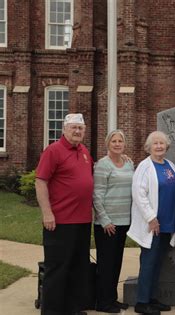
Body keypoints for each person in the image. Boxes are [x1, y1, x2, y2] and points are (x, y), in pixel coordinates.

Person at [35, 113, 93, 315]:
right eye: (73, 128)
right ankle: (52, 311)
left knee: (78, 267)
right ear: (64, 130)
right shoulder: (53, 151)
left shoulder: (84, 151)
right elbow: (40, 181)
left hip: (83, 221)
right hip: (59, 221)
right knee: (57, 269)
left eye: (80, 128)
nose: (77, 131)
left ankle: (73, 308)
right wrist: (47, 213)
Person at [127, 131, 175, 315]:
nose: (159, 146)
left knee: (158, 263)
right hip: (153, 224)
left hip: (168, 223)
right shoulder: (145, 166)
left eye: (162, 143)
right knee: (148, 262)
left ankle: (152, 298)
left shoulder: (170, 165)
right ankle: (142, 302)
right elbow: (139, 194)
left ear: (167, 146)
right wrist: (151, 217)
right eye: (155, 143)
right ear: (149, 147)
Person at [93, 129, 134, 313]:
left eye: (120, 141)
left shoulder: (128, 163)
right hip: (107, 224)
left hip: (124, 221)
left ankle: (112, 298)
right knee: (106, 263)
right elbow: (97, 195)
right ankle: (103, 302)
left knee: (116, 261)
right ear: (107, 144)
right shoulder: (103, 165)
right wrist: (104, 220)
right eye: (114, 141)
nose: (117, 144)